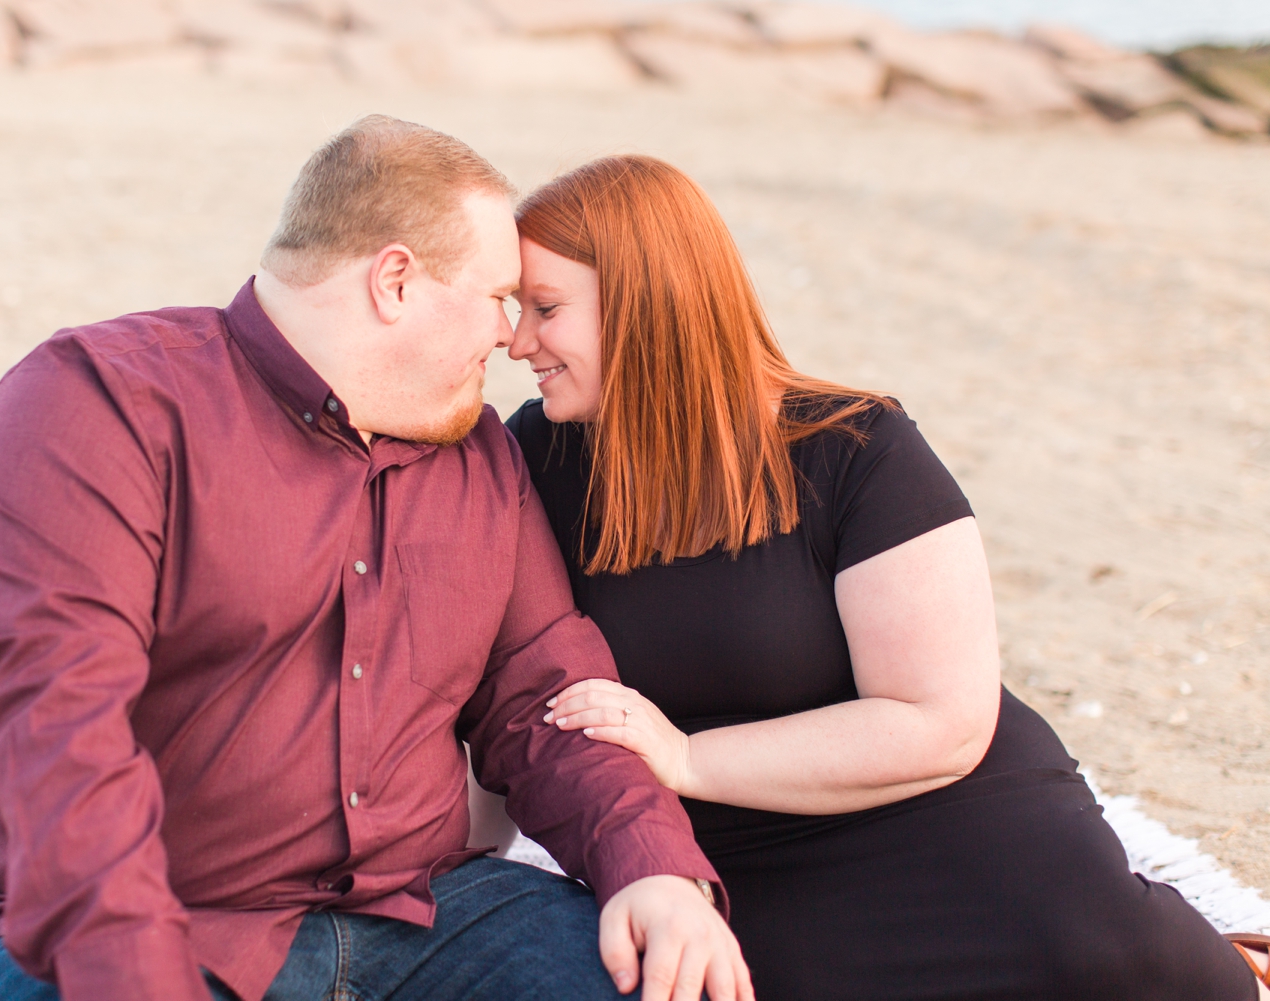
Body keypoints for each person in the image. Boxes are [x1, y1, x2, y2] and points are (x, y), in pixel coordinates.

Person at [0, 118, 752, 1001]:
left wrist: (654, 869)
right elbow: (60, 735)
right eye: (498, 297)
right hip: (141, 915)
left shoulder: (479, 455)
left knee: (665, 980)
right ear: (395, 280)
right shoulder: (101, 405)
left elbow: (544, 696)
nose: (512, 339)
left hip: (425, 916)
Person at [502, 154, 1268, 1001]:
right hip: (739, 858)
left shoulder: (856, 445)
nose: (516, 340)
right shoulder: (534, 457)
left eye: (545, 309)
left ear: (646, 301)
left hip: (939, 801)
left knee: (1115, 965)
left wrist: (684, 756)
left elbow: (941, 722)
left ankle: (1235, 956)